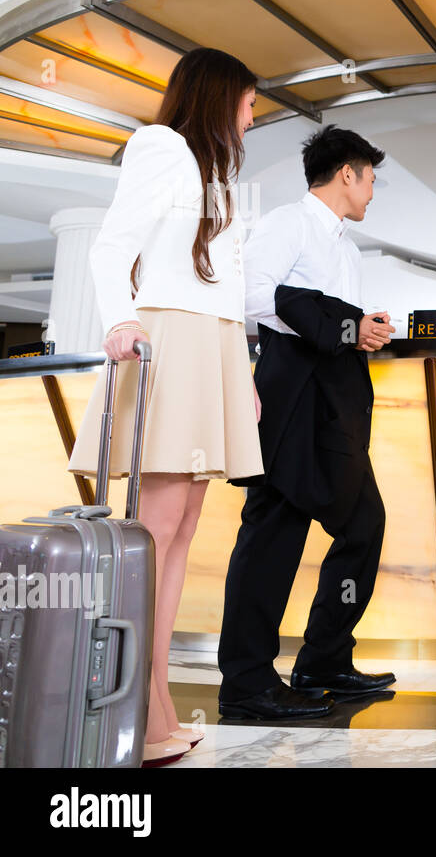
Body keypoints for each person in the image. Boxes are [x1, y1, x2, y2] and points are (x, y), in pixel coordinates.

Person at [65, 47, 264, 767]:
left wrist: (238, 372)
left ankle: (152, 709)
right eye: (247, 101)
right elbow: (112, 244)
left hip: (209, 345)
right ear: (218, 97)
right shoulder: (161, 147)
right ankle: (136, 712)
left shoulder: (219, 178)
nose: (252, 115)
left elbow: (228, 287)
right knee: (152, 535)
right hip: (168, 337)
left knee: (179, 533)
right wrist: (119, 319)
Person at [217, 125, 396, 720]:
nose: (372, 191)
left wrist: (359, 331)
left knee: (362, 524)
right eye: (370, 179)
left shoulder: (345, 247)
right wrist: (343, 325)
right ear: (348, 173)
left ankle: (323, 660)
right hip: (292, 395)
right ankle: (246, 681)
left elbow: (329, 320)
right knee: (273, 532)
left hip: (337, 399)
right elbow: (248, 296)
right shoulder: (287, 224)